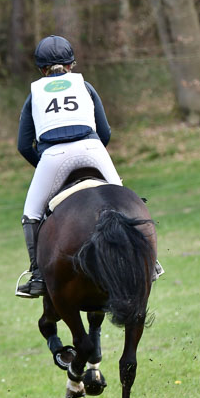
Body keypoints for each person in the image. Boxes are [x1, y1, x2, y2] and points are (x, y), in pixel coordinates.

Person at [16, 35, 123, 298]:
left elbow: (23, 145)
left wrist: (44, 168)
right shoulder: (85, 86)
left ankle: (37, 274)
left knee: (31, 214)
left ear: (41, 69)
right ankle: (149, 261)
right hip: (92, 150)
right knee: (122, 200)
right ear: (71, 65)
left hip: (54, 156)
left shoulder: (35, 95)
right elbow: (105, 132)